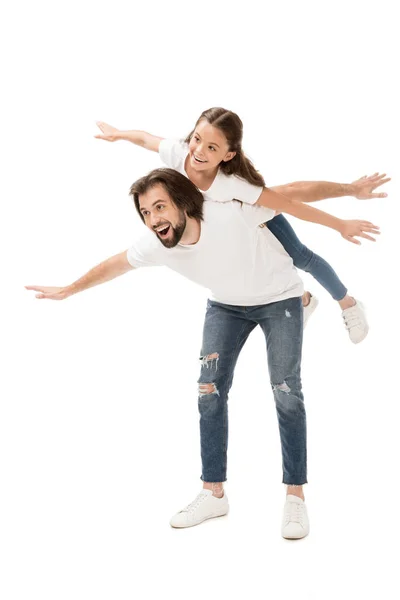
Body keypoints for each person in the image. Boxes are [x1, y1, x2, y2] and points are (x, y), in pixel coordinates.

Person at [26, 168, 382, 539]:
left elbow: (292, 193)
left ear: (184, 203)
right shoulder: (156, 245)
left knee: (285, 391)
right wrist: (69, 289)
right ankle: (213, 493)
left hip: (279, 299)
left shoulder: (230, 211)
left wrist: (350, 191)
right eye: (145, 212)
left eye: (160, 207)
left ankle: (295, 496)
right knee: (208, 393)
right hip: (226, 307)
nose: (153, 220)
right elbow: (115, 264)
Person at [95, 107, 389, 343]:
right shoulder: (180, 154)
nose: (199, 151)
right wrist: (119, 134)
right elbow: (147, 139)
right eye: (197, 139)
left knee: (300, 257)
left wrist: (340, 217)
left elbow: (292, 197)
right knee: (251, 269)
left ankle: (349, 304)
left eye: (212, 148)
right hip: (224, 231)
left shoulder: (232, 185)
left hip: (257, 219)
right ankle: (303, 301)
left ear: (228, 155)